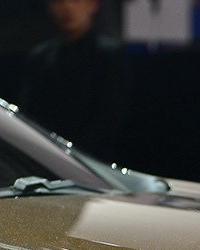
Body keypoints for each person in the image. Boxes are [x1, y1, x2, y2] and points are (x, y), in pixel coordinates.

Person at [19, 0, 131, 159]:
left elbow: (110, 119)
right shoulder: (40, 58)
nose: (68, 7)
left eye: (76, 1)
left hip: (95, 160)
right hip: (46, 157)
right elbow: (29, 116)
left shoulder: (110, 57)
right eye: (59, 2)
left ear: (92, 5)